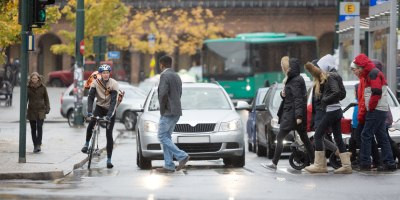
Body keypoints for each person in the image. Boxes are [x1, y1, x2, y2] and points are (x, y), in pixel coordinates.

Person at [264, 56, 314, 170]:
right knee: (304, 138)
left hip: (292, 115)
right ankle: (313, 161)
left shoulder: (295, 80)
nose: (281, 68)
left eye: (282, 66)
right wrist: (283, 94)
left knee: (281, 137)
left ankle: (274, 163)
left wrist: (299, 116)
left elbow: (298, 99)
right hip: (292, 114)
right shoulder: (292, 79)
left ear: (287, 67)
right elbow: (291, 96)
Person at [305, 54, 352, 174]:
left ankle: (320, 165)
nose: (320, 69)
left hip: (331, 111)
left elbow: (336, 92)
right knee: (337, 138)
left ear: (326, 65)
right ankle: (346, 165)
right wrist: (332, 98)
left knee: (318, 135)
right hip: (337, 111)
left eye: (321, 66)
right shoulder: (337, 75)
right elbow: (342, 94)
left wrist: (325, 100)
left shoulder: (330, 76)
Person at [353, 54, 396, 171]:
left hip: (376, 109)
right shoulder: (372, 73)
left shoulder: (372, 74)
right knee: (381, 136)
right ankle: (389, 162)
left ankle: (365, 162)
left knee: (366, 135)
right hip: (380, 109)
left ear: (362, 66)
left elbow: (376, 92)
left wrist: (370, 107)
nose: (356, 70)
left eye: (357, 67)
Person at [81, 64, 119, 169]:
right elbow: (91, 98)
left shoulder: (114, 84)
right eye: (104, 73)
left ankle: (109, 160)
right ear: (100, 74)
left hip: (110, 110)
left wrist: (108, 116)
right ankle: (87, 144)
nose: (106, 75)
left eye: (107, 73)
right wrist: (89, 112)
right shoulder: (95, 83)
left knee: (109, 134)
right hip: (99, 107)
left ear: (109, 73)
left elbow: (113, 102)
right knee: (91, 123)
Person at [156, 55, 190, 173]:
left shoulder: (164, 75)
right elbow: (179, 93)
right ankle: (169, 165)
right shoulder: (176, 75)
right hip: (176, 110)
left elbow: (163, 94)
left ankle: (182, 156)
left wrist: (162, 108)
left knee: (161, 136)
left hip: (168, 111)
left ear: (162, 64)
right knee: (167, 137)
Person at [27, 72, 50, 153]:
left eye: (36, 78)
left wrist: (47, 108)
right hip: (31, 110)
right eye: (33, 78)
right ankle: (35, 145)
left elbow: (46, 98)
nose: (34, 80)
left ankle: (39, 144)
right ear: (31, 79)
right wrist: (24, 110)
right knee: (33, 128)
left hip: (41, 110)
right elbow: (25, 100)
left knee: (39, 127)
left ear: (38, 78)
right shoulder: (28, 88)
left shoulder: (43, 87)